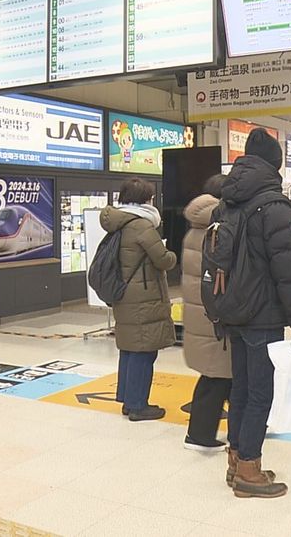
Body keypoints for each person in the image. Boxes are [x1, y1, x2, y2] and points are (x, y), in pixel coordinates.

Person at [220, 128, 291, 499]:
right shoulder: (274, 206)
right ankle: (249, 472)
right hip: (262, 313)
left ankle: (236, 459)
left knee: (240, 388)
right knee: (260, 393)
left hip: (233, 309)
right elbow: (286, 268)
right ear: (275, 164)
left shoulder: (227, 201)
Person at [99, 177, 177, 422]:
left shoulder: (118, 223)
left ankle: (127, 400)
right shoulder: (142, 226)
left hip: (122, 295)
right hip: (143, 297)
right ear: (145, 200)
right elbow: (163, 259)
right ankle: (138, 405)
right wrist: (172, 254)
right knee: (144, 351)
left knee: (130, 348)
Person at [182, 174, 231, 452]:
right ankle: (199, 436)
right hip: (214, 315)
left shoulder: (195, 227)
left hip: (199, 312)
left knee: (221, 375)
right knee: (216, 377)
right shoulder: (218, 231)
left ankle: (242, 425)